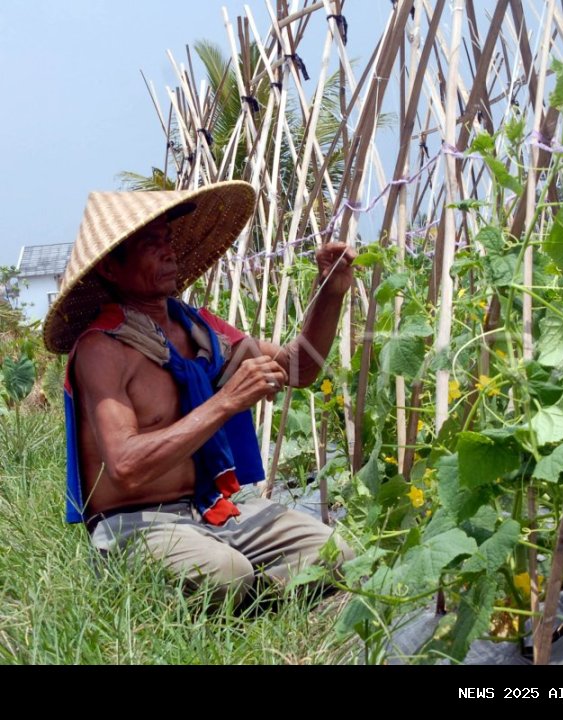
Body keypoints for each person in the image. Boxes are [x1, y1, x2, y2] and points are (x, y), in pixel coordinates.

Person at [43, 180, 356, 605]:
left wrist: (330, 292)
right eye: (150, 244)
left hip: (211, 506)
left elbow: (297, 368)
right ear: (109, 268)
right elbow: (126, 467)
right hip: (137, 523)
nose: (168, 251)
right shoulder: (102, 348)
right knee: (227, 574)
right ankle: (239, 586)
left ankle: (247, 590)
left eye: (168, 239)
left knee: (337, 553)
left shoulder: (200, 331)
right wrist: (225, 401)